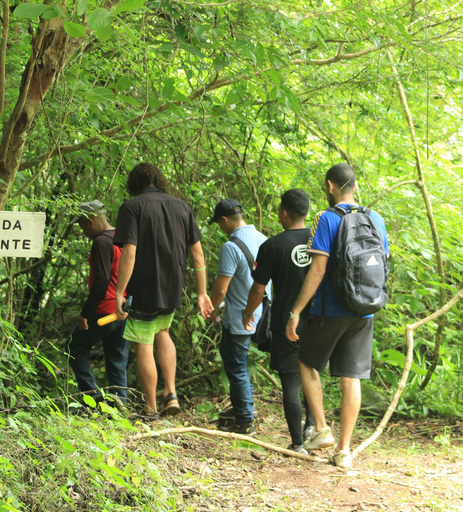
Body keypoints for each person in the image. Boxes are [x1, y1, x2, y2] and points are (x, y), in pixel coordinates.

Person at [285, 163, 389, 467]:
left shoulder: (326, 218)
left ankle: (320, 428)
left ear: (331, 186)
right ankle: (344, 452)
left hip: (330, 310)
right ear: (354, 186)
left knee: (305, 361)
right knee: (351, 377)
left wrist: (296, 311)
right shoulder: (376, 219)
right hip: (364, 311)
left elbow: (317, 270)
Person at [113, 163, 213, 420]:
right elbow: (197, 253)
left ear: (134, 183)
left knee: (143, 344)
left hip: (144, 286)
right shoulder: (182, 207)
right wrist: (202, 293)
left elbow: (130, 252)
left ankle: (150, 409)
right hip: (172, 285)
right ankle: (171, 393)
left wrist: (120, 291)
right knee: (163, 332)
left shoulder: (132, 207)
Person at [241, 189, 316, 453]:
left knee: (291, 381)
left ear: (284, 213)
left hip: (286, 324)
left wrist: (248, 314)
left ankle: (298, 443)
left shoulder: (272, 246)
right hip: (317, 321)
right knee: (313, 375)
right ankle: (313, 428)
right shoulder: (319, 240)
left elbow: (258, 289)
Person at [208, 199, 267, 434]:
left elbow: (221, 289)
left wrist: (211, 309)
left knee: (236, 367)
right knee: (237, 363)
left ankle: (244, 421)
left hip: (239, 317)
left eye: (219, 225)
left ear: (224, 220)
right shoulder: (263, 239)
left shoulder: (231, 247)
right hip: (259, 313)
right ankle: (243, 409)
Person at [65, 200, 129, 406]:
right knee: (116, 355)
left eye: (82, 226)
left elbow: (102, 279)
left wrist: (85, 313)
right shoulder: (123, 238)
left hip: (105, 312)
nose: (83, 231)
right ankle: (120, 401)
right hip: (122, 310)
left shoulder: (102, 242)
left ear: (90, 221)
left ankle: (92, 397)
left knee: (74, 345)